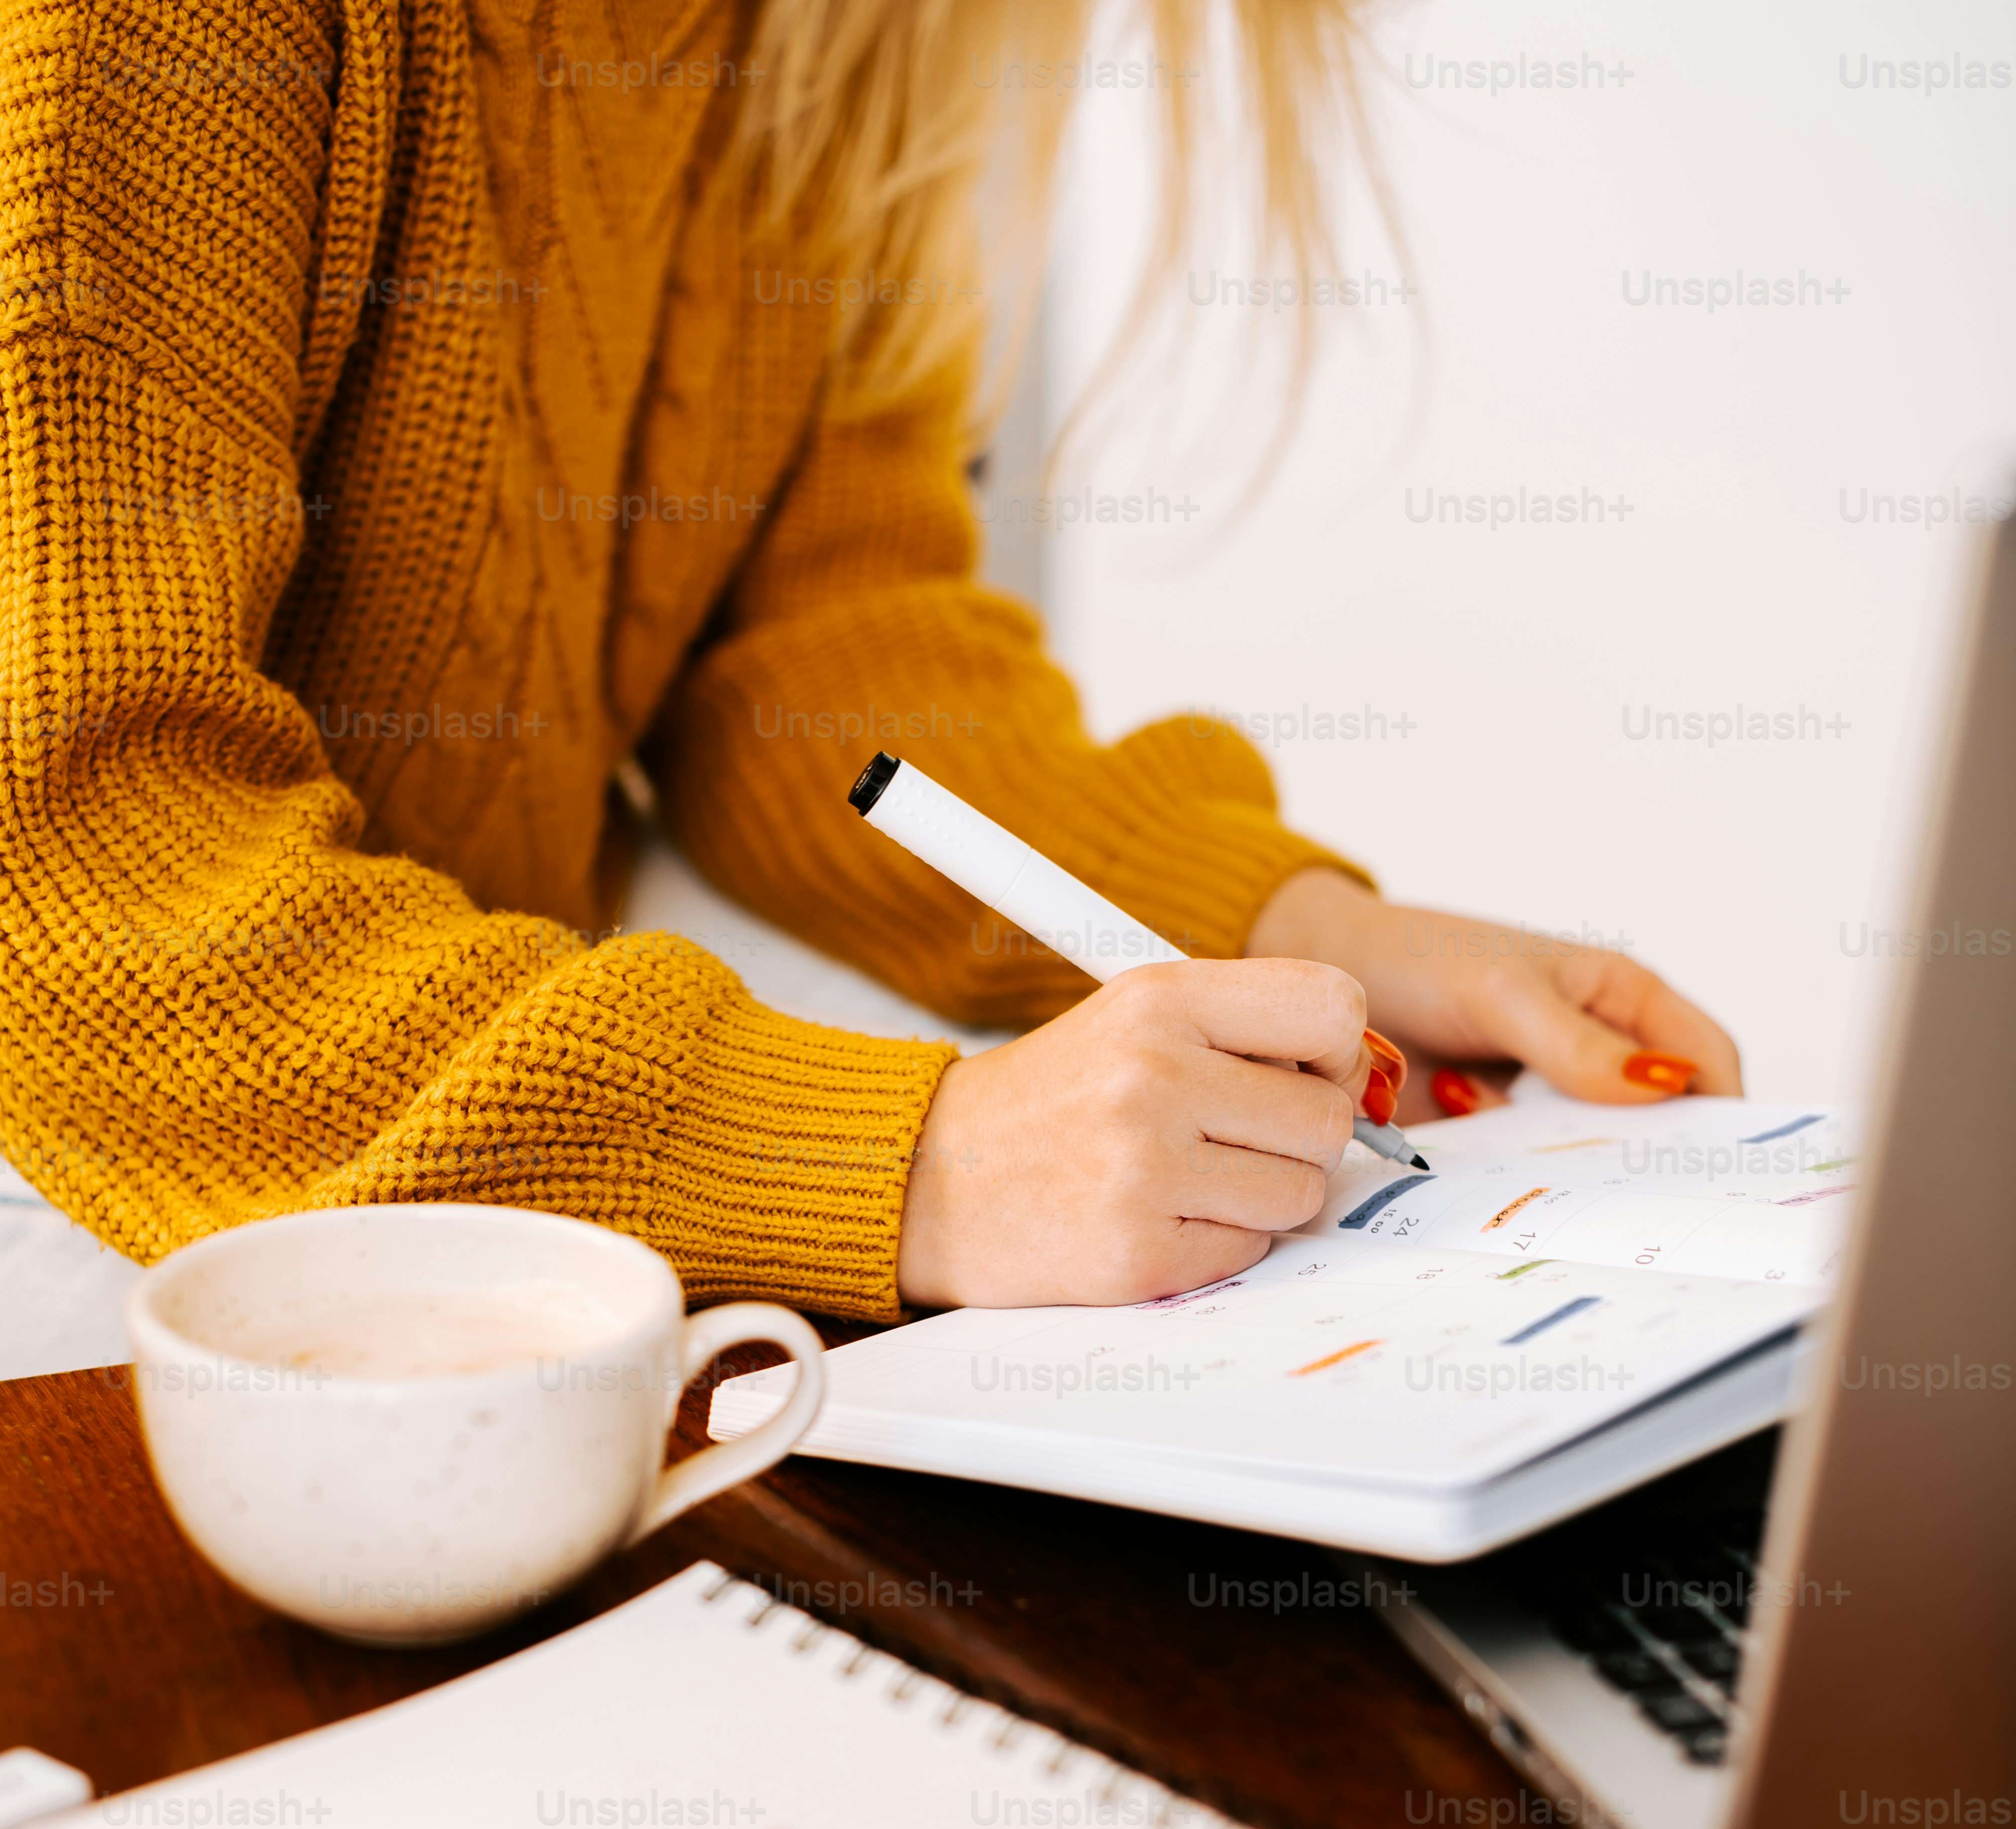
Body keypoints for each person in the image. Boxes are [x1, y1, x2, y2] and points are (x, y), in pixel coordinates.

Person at [3, 0, 1738, 1325]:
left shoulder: (826, 42)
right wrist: (915, 1163)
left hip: (444, 1240)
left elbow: (813, 646)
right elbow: (65, 875)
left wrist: (1301, 929)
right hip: (92, 1227)